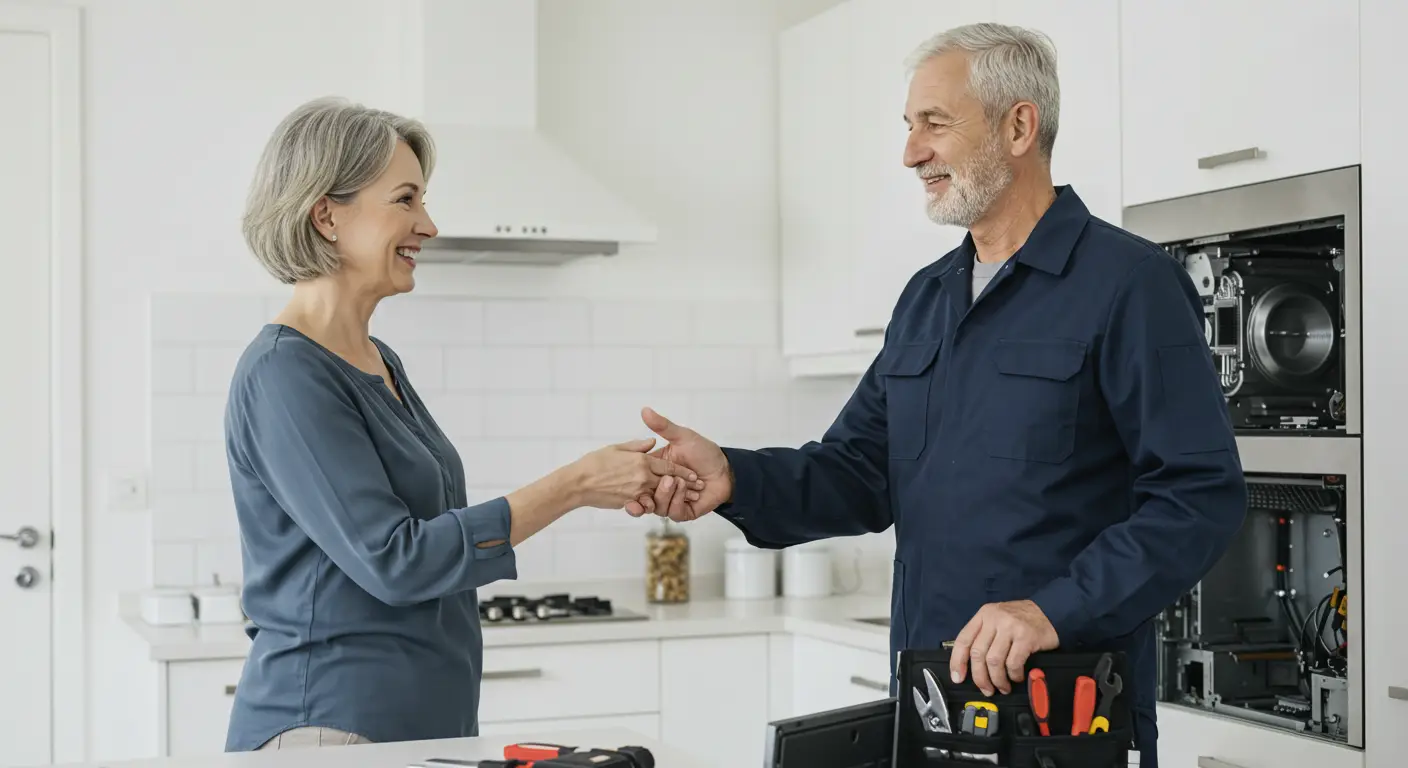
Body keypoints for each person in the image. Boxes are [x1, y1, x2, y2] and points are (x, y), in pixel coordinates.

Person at [625, 23, 1246, 766]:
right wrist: (732, 474)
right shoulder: (927, 299)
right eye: (909, 127)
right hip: (929, 708)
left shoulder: (1130, 286)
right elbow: (857, 472)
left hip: (1063, 718)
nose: (911, 152)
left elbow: (1198, 496)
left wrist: (1053, 610)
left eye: (935, 124)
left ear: (1020, 125)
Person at [222, 96, 703, 752]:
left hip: (417, 724)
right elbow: (397, 561)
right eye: (406, 199)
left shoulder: (374, 360)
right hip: (330, 726)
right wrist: (576, 485)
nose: (429, 224)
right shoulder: (285, 375)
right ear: (327, 214)